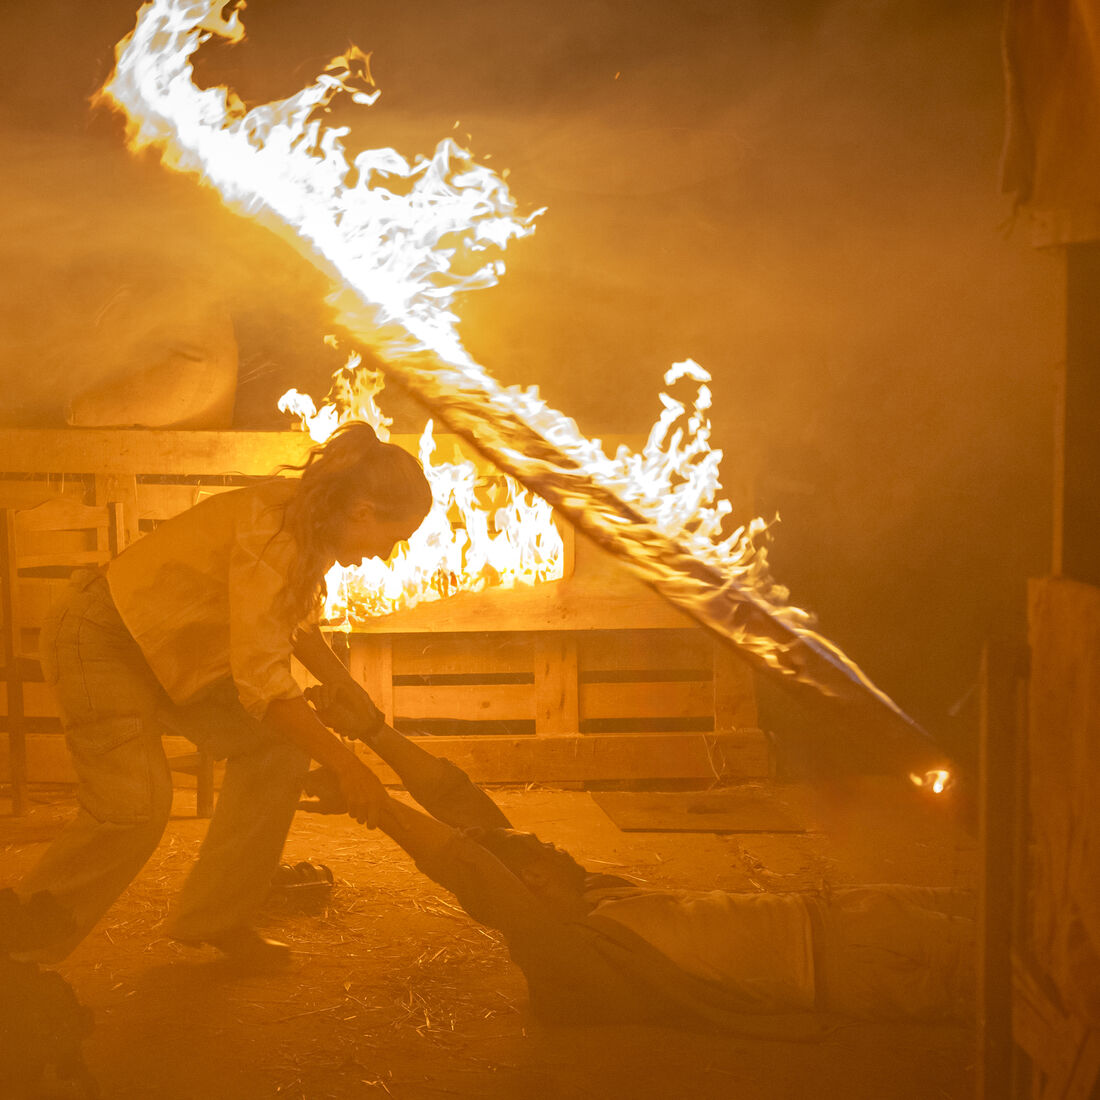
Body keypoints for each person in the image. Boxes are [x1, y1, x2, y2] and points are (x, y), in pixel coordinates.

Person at [302, 680, 976, 1035]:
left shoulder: (596, 897)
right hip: (862, 962)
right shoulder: (573, 945)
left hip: (842, 916)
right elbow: (470, 867)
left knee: (1010, 912)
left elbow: (464, 810)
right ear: (533, 888)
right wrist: (376, 806)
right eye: (539, 852)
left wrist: (371, 733)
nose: (550, 842)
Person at [15, 422, 431, 965]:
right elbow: (264, 684)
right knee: (134, 810)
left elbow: (295, 627)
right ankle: (18, 951)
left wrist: (346, 686)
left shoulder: (308, 521)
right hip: (104, 640)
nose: (386, 555)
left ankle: (218, 917)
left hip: (177, 654)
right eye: (394, 538)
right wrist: (349, 766)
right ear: (363, 512)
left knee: (277, 749)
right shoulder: (277, 533)